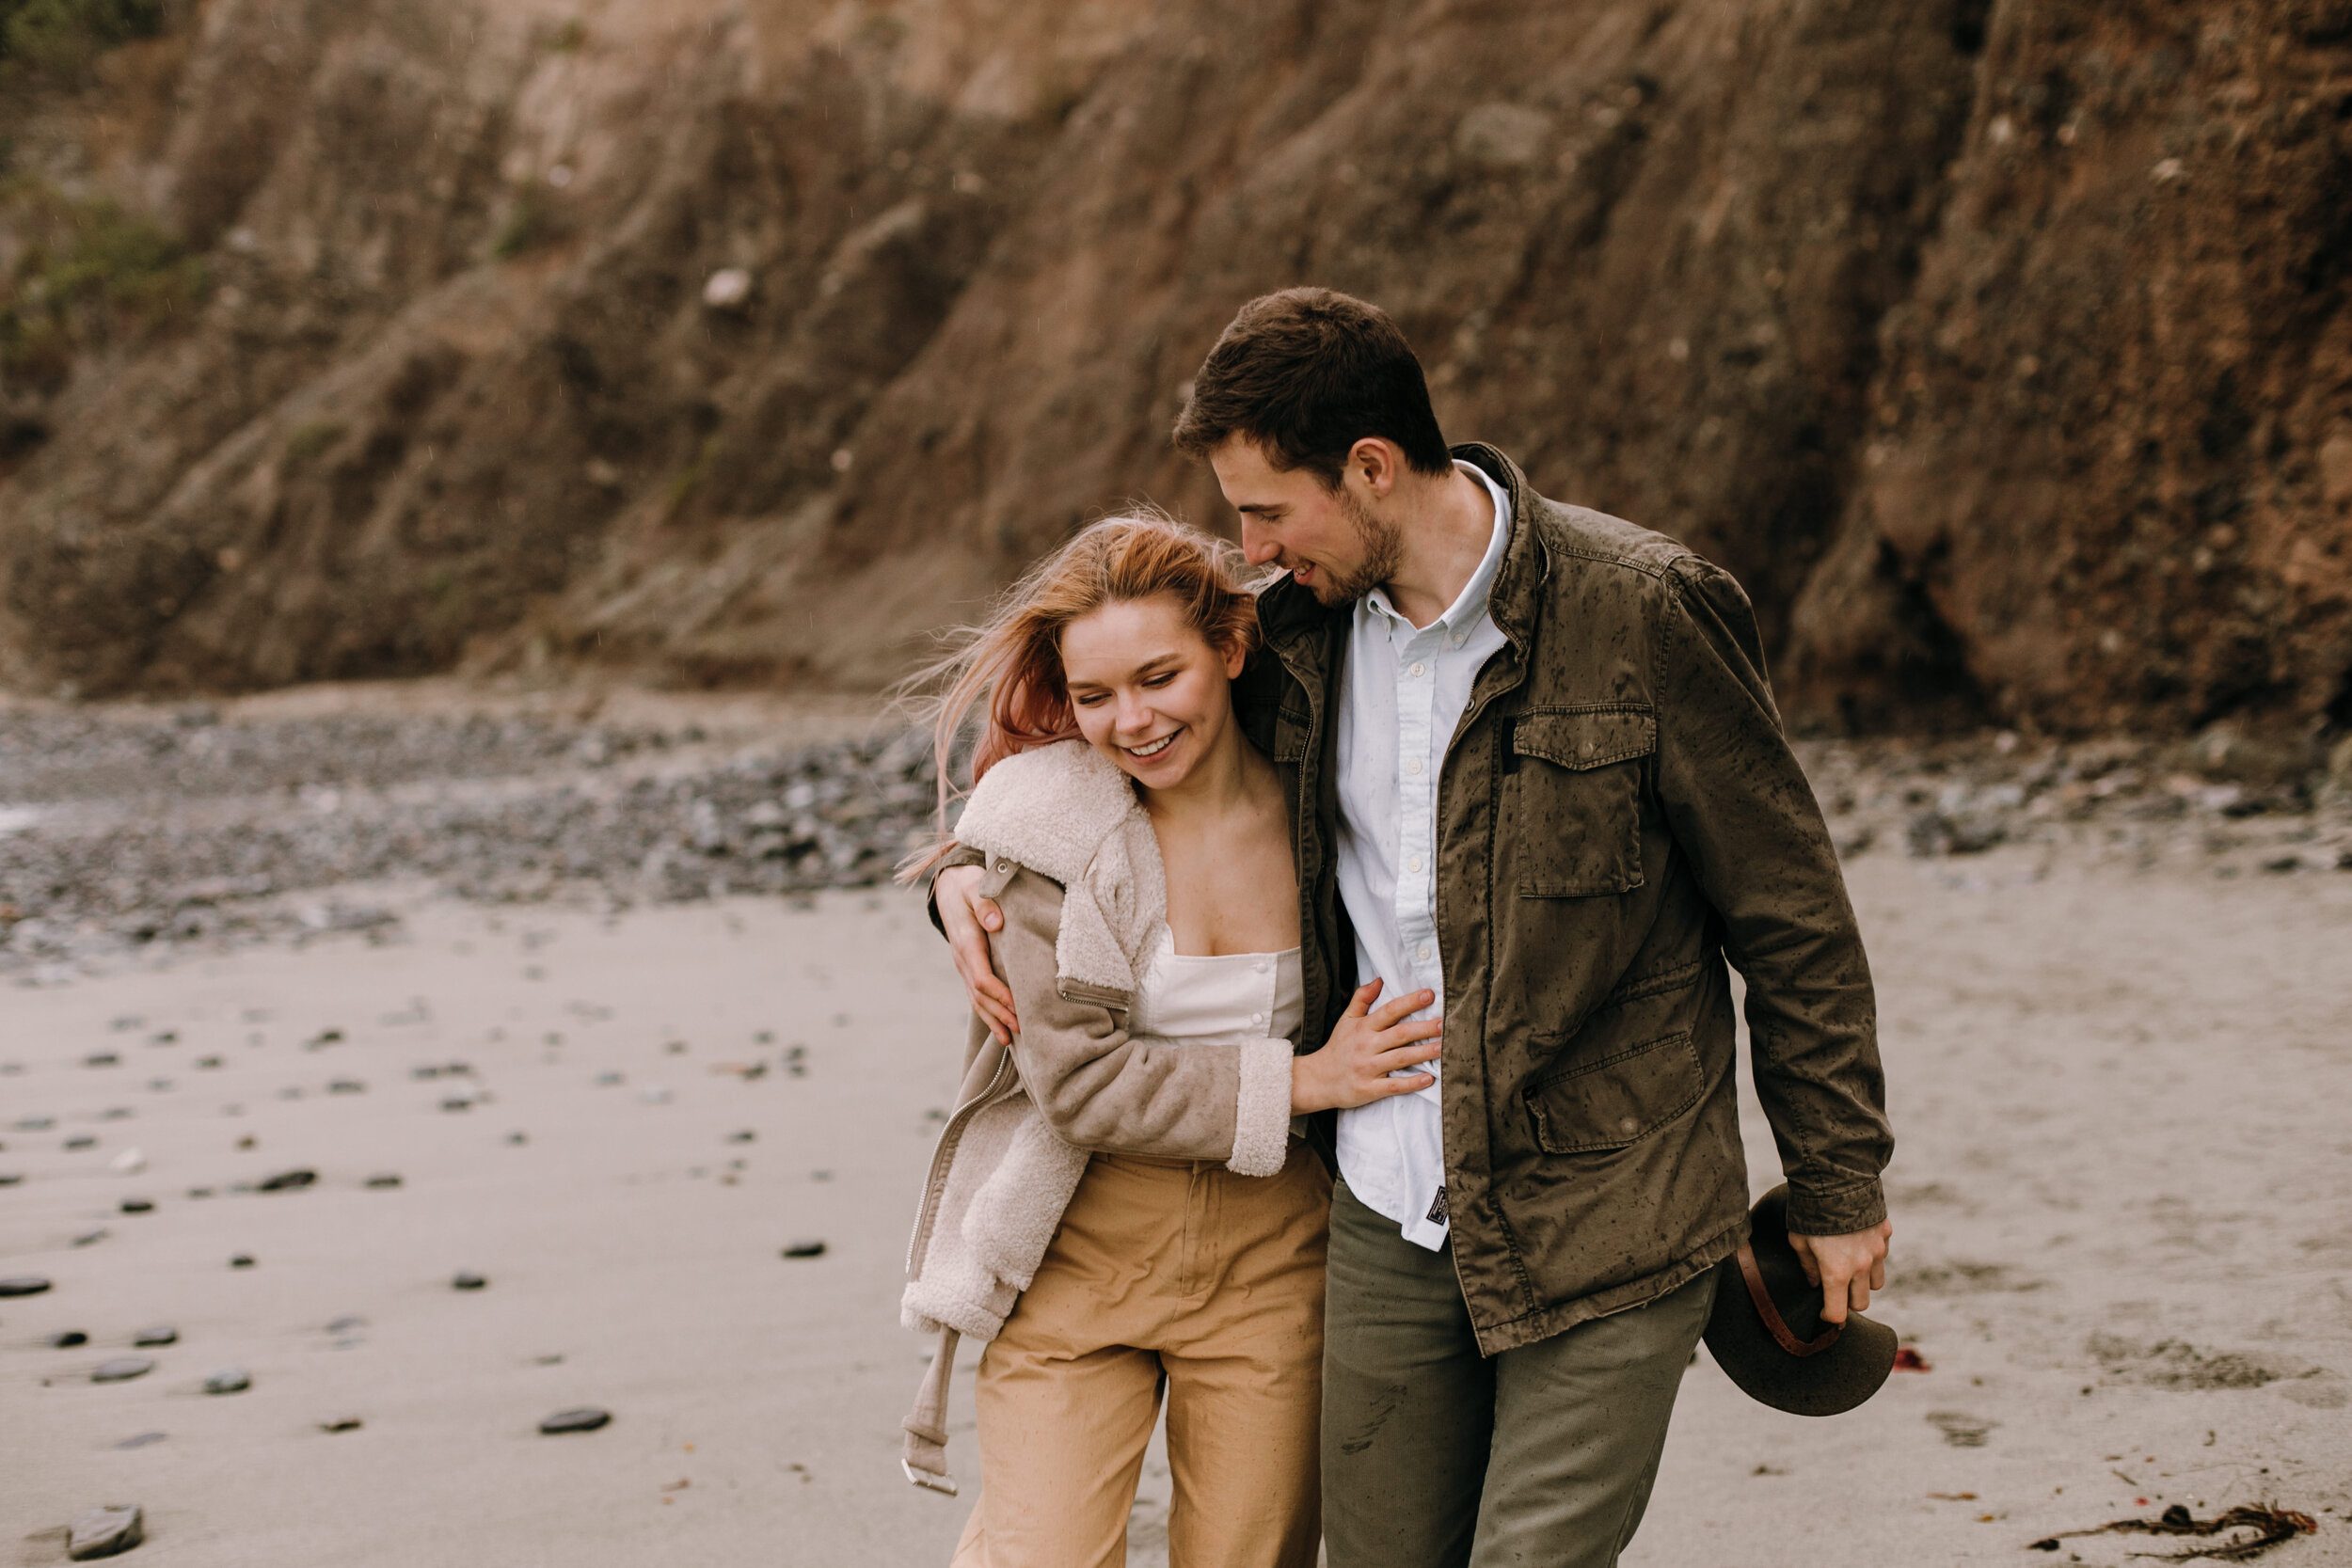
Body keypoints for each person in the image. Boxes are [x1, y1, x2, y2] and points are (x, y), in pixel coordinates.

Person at [932, 289, 1896, 1568]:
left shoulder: (1643, 612)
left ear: (1371, 469)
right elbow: (1103, 744)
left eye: (1268, 509)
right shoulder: (1288, 641)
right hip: (1389, 1211)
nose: (1254, 546)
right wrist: (959, 868)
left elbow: (1792, 917)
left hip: (1608, 1202)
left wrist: (1838, 1177)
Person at [896, 511, 1444, 1568]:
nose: (1131, 721)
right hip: (1075, 1262)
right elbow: (1081, 1085)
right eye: (1094, 695)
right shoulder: (1048, 832)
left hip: (1274, 1266)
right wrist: (1305, 1078)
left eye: (1159, 677)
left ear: (1229, 650)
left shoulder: (1328, 809)